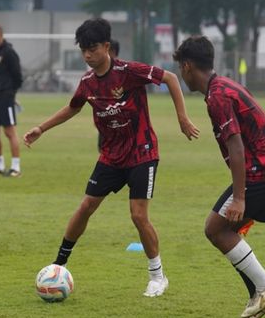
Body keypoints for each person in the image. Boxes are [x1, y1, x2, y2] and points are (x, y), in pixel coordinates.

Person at [23, 18, 200, 297]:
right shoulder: (87, 83)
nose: (87, 55)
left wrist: (182, 117)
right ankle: (57, 266)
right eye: (83, 50)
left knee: (138, 215)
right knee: (86, 207)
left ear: (106, 46)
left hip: (142, 152)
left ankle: (157, 276)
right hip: (111, 156)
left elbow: (170, 77)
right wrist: (41, 128)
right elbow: (72, 108)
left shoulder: (128, 71)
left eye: (92, 49)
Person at [173, 36, 265, 318]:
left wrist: (239, 197)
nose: (181, 73)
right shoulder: (225, 85)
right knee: (227, 232)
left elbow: (236, 146)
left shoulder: (218, 96)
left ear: (188, 66)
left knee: (216, 229)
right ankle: (256, 296)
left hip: (263, 173)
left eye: (181, 67)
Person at [0, 23, 23, 177]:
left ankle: (16, 167)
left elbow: (18, 77)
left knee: (9, 131)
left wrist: (11, 94)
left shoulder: (9, 53)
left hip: (5, 97)